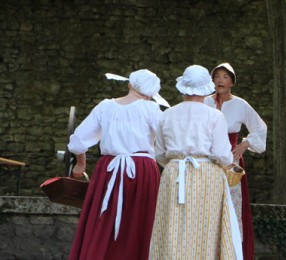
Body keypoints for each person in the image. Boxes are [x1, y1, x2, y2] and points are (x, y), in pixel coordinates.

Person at [68, 69, 163, 260]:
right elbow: (167, 141)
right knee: (140, 222)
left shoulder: (105, 106)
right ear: (152, 92)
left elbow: (78, 140)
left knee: (104, 222)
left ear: (130, 84)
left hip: (109, 170)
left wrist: (81, 164)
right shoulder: (151, 109)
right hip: (142, 171)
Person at [150, 65, 243, 259]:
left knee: (172, 226)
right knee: (204, 229)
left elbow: (159, 152)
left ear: (183, 87)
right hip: (207, 174)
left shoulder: (167, 114)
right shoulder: (215, 116)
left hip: (174, 172)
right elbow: (222, 154)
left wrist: (175, 164)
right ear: (206, 88)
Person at [205, 62, 267, 259]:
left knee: (232, 207)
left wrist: (245, 144)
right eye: (217, 77)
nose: (220, 80)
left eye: (224, 77)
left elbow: (260, 128)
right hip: (207, 161)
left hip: (231, 163)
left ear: (232, 82)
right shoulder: (204, 102)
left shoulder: (240, 104)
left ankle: (231, 252)